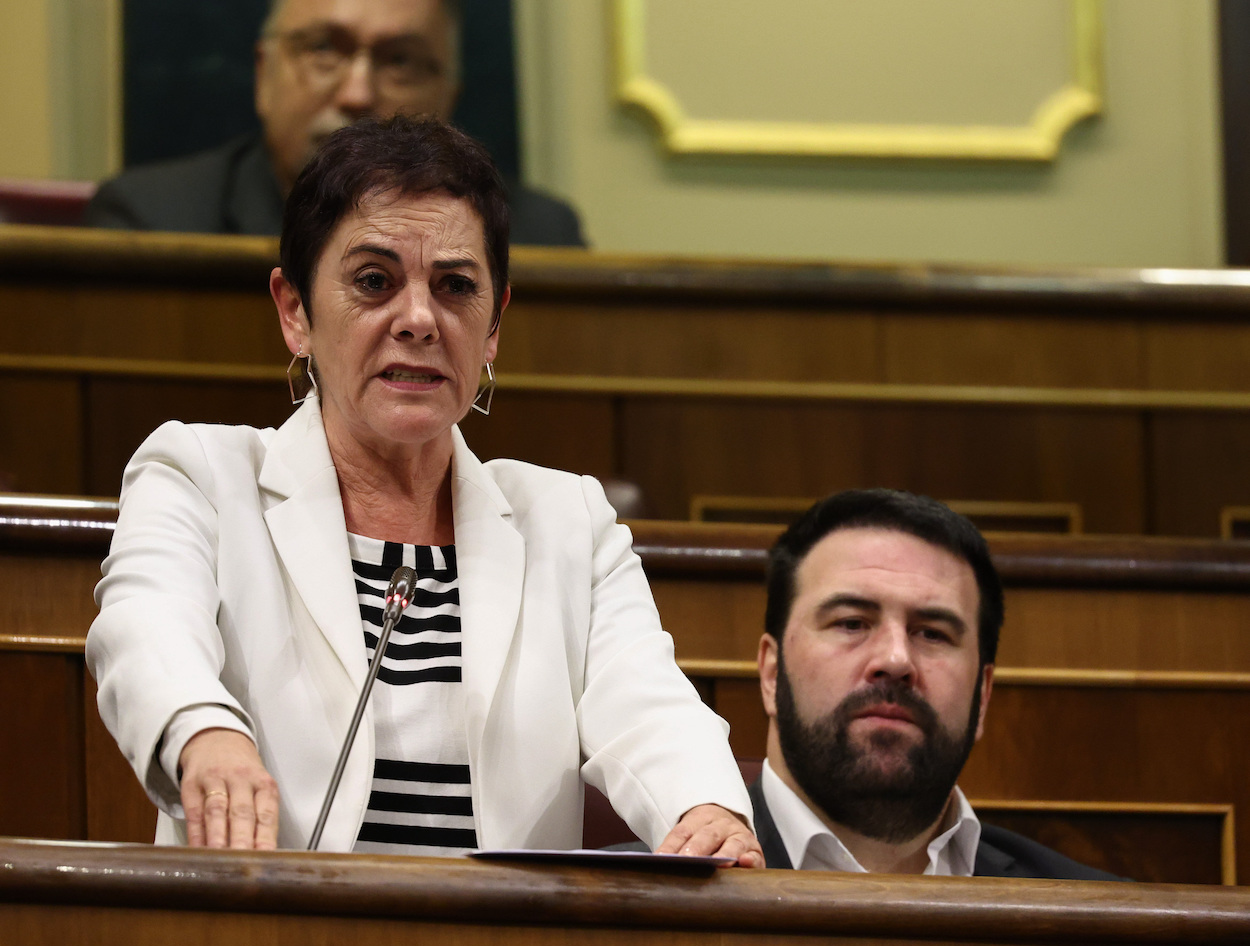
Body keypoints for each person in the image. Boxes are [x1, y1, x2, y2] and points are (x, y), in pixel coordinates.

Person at [86, 116, 757, 863]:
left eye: (455, 287)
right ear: (294, 311)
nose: (418, 319)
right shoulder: (202, 474)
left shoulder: (569, 521)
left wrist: (706, 805)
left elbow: (648, 705)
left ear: (494, 325)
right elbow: (144, 633)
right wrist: (205, 734)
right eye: (373, 281)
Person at [753, 489, 1120, 879]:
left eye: (932, 633)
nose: (896, 660)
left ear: (983, 695)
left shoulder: (1102, 924)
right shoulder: (682, 889)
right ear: (772, 673)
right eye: (851, 623)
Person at [83, 0, 584, 246]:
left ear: (448, 97)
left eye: (401, 62)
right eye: (323, 50)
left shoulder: (536, 237)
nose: (357, 94)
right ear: (264, 76)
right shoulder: (149, 224)